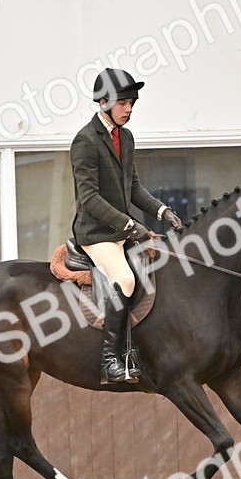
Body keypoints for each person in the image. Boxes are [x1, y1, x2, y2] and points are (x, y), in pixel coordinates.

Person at [71, 68, 184, 385]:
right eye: (123, 102)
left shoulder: (126, 137)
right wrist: (128, 224)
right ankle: (109, 361)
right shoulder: (85, 141)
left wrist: (163, 212)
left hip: (122, 230)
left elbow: (133, 188)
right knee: (125, 278)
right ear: (103, 102)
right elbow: (89, 198)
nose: (129, 108)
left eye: (132, 102)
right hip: (96, 234)